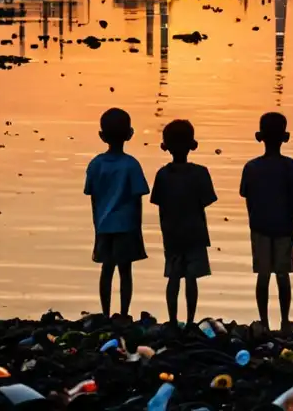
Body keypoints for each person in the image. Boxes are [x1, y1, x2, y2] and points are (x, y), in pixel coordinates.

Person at [239, 112, 293, 332]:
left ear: (259, 136)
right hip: (284, 227)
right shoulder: (290, 166)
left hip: (259, 227)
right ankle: (285, 320)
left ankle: (264, 322)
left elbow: (245, 195)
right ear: (285, 137)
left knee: (263, 275)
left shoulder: (251, 167)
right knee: (283, 274)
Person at [150, 119, 217, 325]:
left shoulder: (162, 175)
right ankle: (189, 321)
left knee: (173, 278)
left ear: (165, 146)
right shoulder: (200, 173)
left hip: (172, 235)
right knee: (191, 279)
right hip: (195, 234)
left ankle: (172, 320)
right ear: (193, 145)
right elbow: (206, 200)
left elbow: (158, 203)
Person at [84, 108, 149, 318]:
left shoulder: (95, 164)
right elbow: (138, 199)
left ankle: (105, 313)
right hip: (127, 226)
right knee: (125, 272)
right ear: (130, 134)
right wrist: (138, 228)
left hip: (103, 225)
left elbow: (93, 197)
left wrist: (97, 225)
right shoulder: (131, 165)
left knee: (106, 270)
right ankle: (123, 313)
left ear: (102, 136)